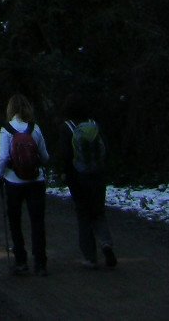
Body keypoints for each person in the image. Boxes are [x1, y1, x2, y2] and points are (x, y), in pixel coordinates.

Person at [59, 97, 118, 268]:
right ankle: (106, 243)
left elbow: (66, 155)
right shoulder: (94, 125)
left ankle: (90, 257)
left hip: (78, 178)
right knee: (98, 212)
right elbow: (105, 148)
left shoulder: (67, 128)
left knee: (83, 215)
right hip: (98, 175)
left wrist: (65, 174)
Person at [0, 93, 49, 275]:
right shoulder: (35, 128)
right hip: (36, 180)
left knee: (15, 221)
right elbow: (45, 156)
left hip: (13, 181)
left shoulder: (6, 130)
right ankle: (40, 263)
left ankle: (21, 261)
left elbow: (3, 157)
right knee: (37, 222)